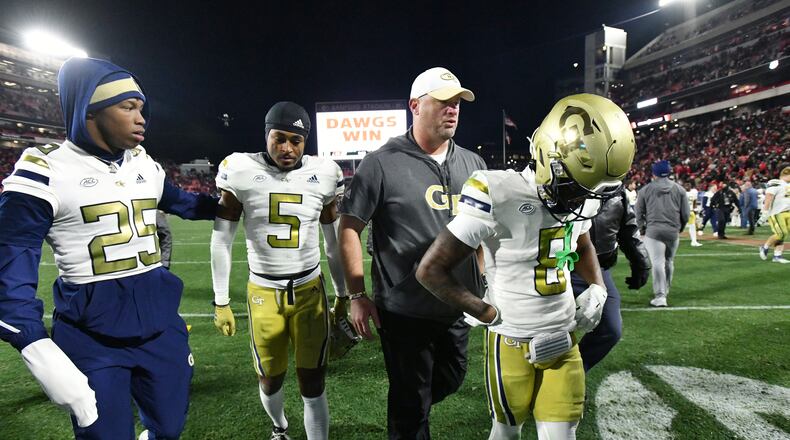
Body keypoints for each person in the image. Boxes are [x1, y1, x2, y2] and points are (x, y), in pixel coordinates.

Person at [0, 57, 217, 439]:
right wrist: (37, 349)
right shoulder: (45, 171)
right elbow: (8, 279)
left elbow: (183, 202)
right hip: (91, 339)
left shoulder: (143, 163)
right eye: (128, 106)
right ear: (90, 111)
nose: (141, 118)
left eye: (141, 108)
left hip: (161, 328)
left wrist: (235, 202)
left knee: (169, 429)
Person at [415, 93, 636, 440]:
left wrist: (598, 286)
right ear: (550, 156)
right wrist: (484, 311)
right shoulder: (497, 191)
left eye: (590, 191)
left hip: (564, 338)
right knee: (506, 433)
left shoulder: (582, 197)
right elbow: (430, 269)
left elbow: (583, 240)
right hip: (511, 341)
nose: (583, 200)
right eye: (577, 187)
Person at [338, 67, 486, 439]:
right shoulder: (381, 162)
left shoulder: (474, 163)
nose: (452, 110)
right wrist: (357, 295)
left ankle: (408, 410)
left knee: (451, 379)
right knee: (411, 406)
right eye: (443, 103)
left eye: (456, 104)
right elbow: (350, 228)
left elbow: (485, 231)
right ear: (415, 106)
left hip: (458, 306)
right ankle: (408, 416)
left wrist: (483, 278)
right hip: (405, 309)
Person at [210, 102, 346, 440]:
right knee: (270, 377)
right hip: (263, 292)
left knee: (313, 380)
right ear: (266, 135)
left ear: (306, 142)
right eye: (279, 138)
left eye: (296, 141)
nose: (287, 148)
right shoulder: (239, 169)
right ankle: (279, 426)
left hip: (309, 290)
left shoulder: (325, 173)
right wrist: (221, 300)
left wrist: (343, 294)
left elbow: (333, 243)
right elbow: (221, 240)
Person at [571, 187, 650, 371]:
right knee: (554, 332)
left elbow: (628, 231)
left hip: (599, 269)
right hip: (562, 268)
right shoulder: (561, 184)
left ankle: (574, 374)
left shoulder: (617, 193)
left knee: (610, 330)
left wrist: (641, 264)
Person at [635, 160, 689, 307]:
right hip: (673, 231)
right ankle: (666, 289)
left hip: (653, 231)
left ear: (654, 173)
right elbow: (686, 214)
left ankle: (660, 296)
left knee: (657, 262)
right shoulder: (680, 190)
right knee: (669, 261)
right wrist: (680, 228)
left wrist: (642, 229)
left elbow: (638, 213)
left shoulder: (645, 190)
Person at [758, 167, 790, 264]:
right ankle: (765, 246)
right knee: (781, 233)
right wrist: (765, 212)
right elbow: (769, 197)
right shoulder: (776, 182)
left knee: (783, 236)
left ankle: (777, 255)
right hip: (777, 212)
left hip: (788, 212)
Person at [685, 182, 702, 246]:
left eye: (688, 185)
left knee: (692, 226)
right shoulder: (682, 193)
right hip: (683, 211)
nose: (687, 187)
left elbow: (694, 203)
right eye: (686, 186)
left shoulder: (693, 193)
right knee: (677, 227)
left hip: (691, 211)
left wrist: (696, 211)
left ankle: (694, 241)